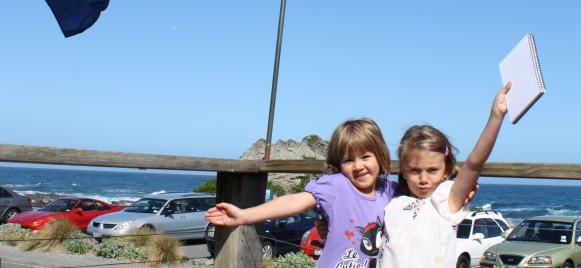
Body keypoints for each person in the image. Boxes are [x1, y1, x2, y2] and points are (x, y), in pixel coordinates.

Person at [205, 118, 397, 267]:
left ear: (380, 156)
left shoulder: (391, 193)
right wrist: (244, 216)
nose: (358, 166)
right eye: (348, 160)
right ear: (338, 164)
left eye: (365, 157)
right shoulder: (336, 186)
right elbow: (294, 201)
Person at [380, 82, 512, 268]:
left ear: (446, 171)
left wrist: (496, 116)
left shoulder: (446, 199)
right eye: (415, 170)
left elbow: (474, 164)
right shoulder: (393, 203)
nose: (423, 179)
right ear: (403, 169)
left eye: (432, 170)